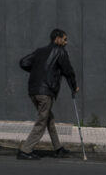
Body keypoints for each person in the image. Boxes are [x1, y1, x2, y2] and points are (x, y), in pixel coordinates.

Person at [18, 28, 78, 160]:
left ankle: (58, 148)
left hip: (34, 91)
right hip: (45, 92)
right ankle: (25, 151)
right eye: (65, 39)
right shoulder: (60, 51)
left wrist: (38, 70)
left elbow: (23, 62)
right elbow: (68, 71)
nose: (66, 42)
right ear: (57, 39)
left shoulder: (40, 51)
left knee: (49, 120)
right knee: (41, 123)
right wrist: (74, 86)